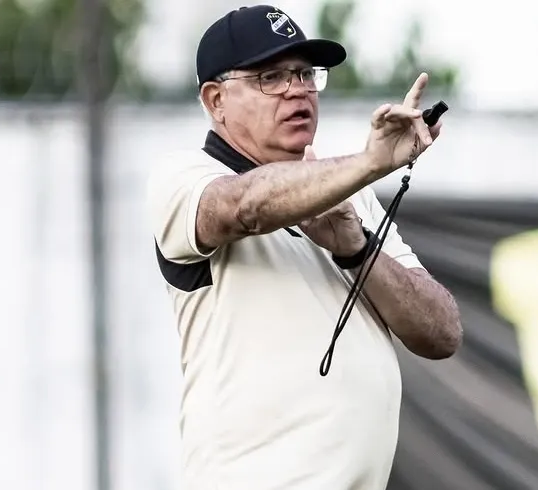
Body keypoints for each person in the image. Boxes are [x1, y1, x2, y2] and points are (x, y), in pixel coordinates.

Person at [145, 5, 463, 489]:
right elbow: (244, 204)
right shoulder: (185, 175)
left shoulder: (351, 191)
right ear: (216, 100)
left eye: (305, 74)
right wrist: (370, 162)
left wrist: (354, 248)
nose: (297, 90)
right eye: (270, 76)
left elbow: (442, 333)